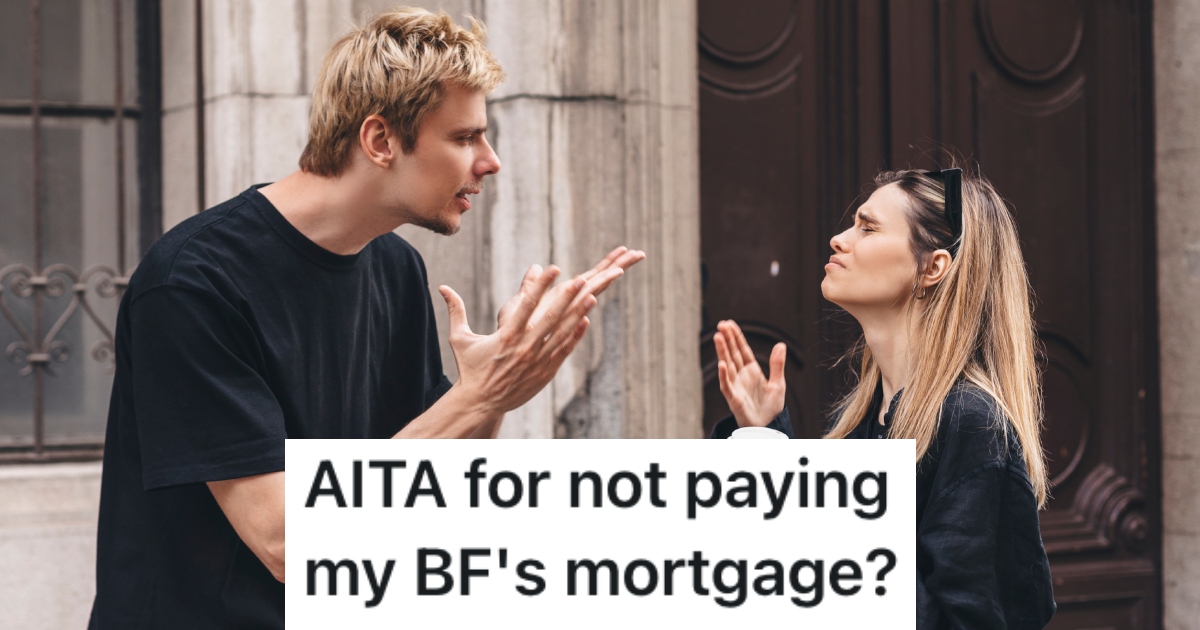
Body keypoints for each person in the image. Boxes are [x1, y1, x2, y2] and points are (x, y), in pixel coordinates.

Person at [87, 7, 643, 628]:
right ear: (380, 141)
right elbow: (287, 543)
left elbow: (429, 488)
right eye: (464, 138)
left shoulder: (396, 268)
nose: (490, 161)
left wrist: (489, 398)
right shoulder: (193, 283)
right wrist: (477, 397)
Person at [710, 165, 1056, 628]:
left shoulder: (969, 422)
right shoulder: (869, 418)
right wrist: (762, 435)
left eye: (867, 228)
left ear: (932, 267)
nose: (839, 239)